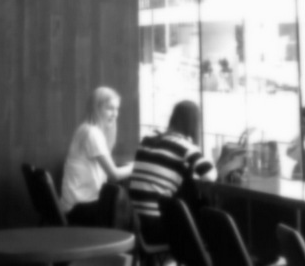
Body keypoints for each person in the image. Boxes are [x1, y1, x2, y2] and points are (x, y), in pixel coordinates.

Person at [129, 100, 216, 249]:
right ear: (194, 124)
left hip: (136, 223)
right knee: (205, 212)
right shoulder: (185, 147)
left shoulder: (147, 141)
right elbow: (210, 176)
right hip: (157, 227)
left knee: (187, 190)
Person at [61, 86, 133, 226]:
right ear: (96, 108)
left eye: (117, 109)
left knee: (125, 208)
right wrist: (135, 167)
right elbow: (114, 175)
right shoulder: (91, 133)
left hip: (74, 206)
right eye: (110, 108)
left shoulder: (85, 129)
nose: (115, 114)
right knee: (127, 209)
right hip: (78, 209)